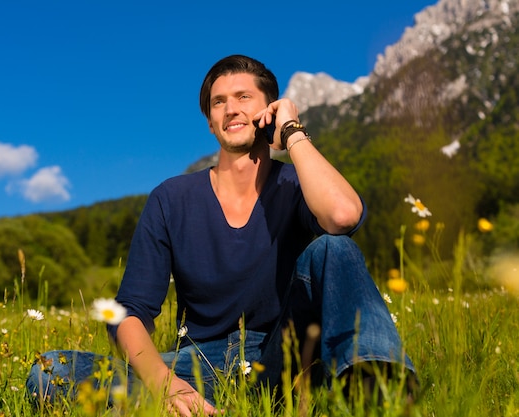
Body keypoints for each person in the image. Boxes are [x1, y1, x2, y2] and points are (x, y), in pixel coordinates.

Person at [27, 54, 415, 415]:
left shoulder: (296, 186)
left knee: (335, 248)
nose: (231, 109)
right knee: (50, 371)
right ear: (211, 122)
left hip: (282, 357)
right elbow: (131, 311)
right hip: (194, 366)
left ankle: (379, 388)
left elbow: (343, 216)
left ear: (269, 110)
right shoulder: (171, 198)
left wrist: (292, 131)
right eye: (219, 102)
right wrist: (165, 383)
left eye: (244, 97)